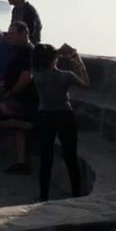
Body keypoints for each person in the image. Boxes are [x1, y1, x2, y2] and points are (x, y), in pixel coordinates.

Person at [32, 44, 90, 201]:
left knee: (46, 157)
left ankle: (43, 195)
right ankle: (76, 194)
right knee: (70, 156)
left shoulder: (37, 76)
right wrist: (77, 61)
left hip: (44, 116)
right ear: (54, 58)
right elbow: (86, 83)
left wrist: (56, 53)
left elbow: (42, 55)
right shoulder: (66, 76)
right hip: (65, 115)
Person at [0, 21, 38, 175]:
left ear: (24, 34)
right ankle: (21, 163)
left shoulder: (28, 51)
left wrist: (11, 92)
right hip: (20, 98)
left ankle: (32, 126)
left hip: (24, 98)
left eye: (12, 33)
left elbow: (26, 76)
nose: (9, 36)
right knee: (17, 129)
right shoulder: (20, 50)